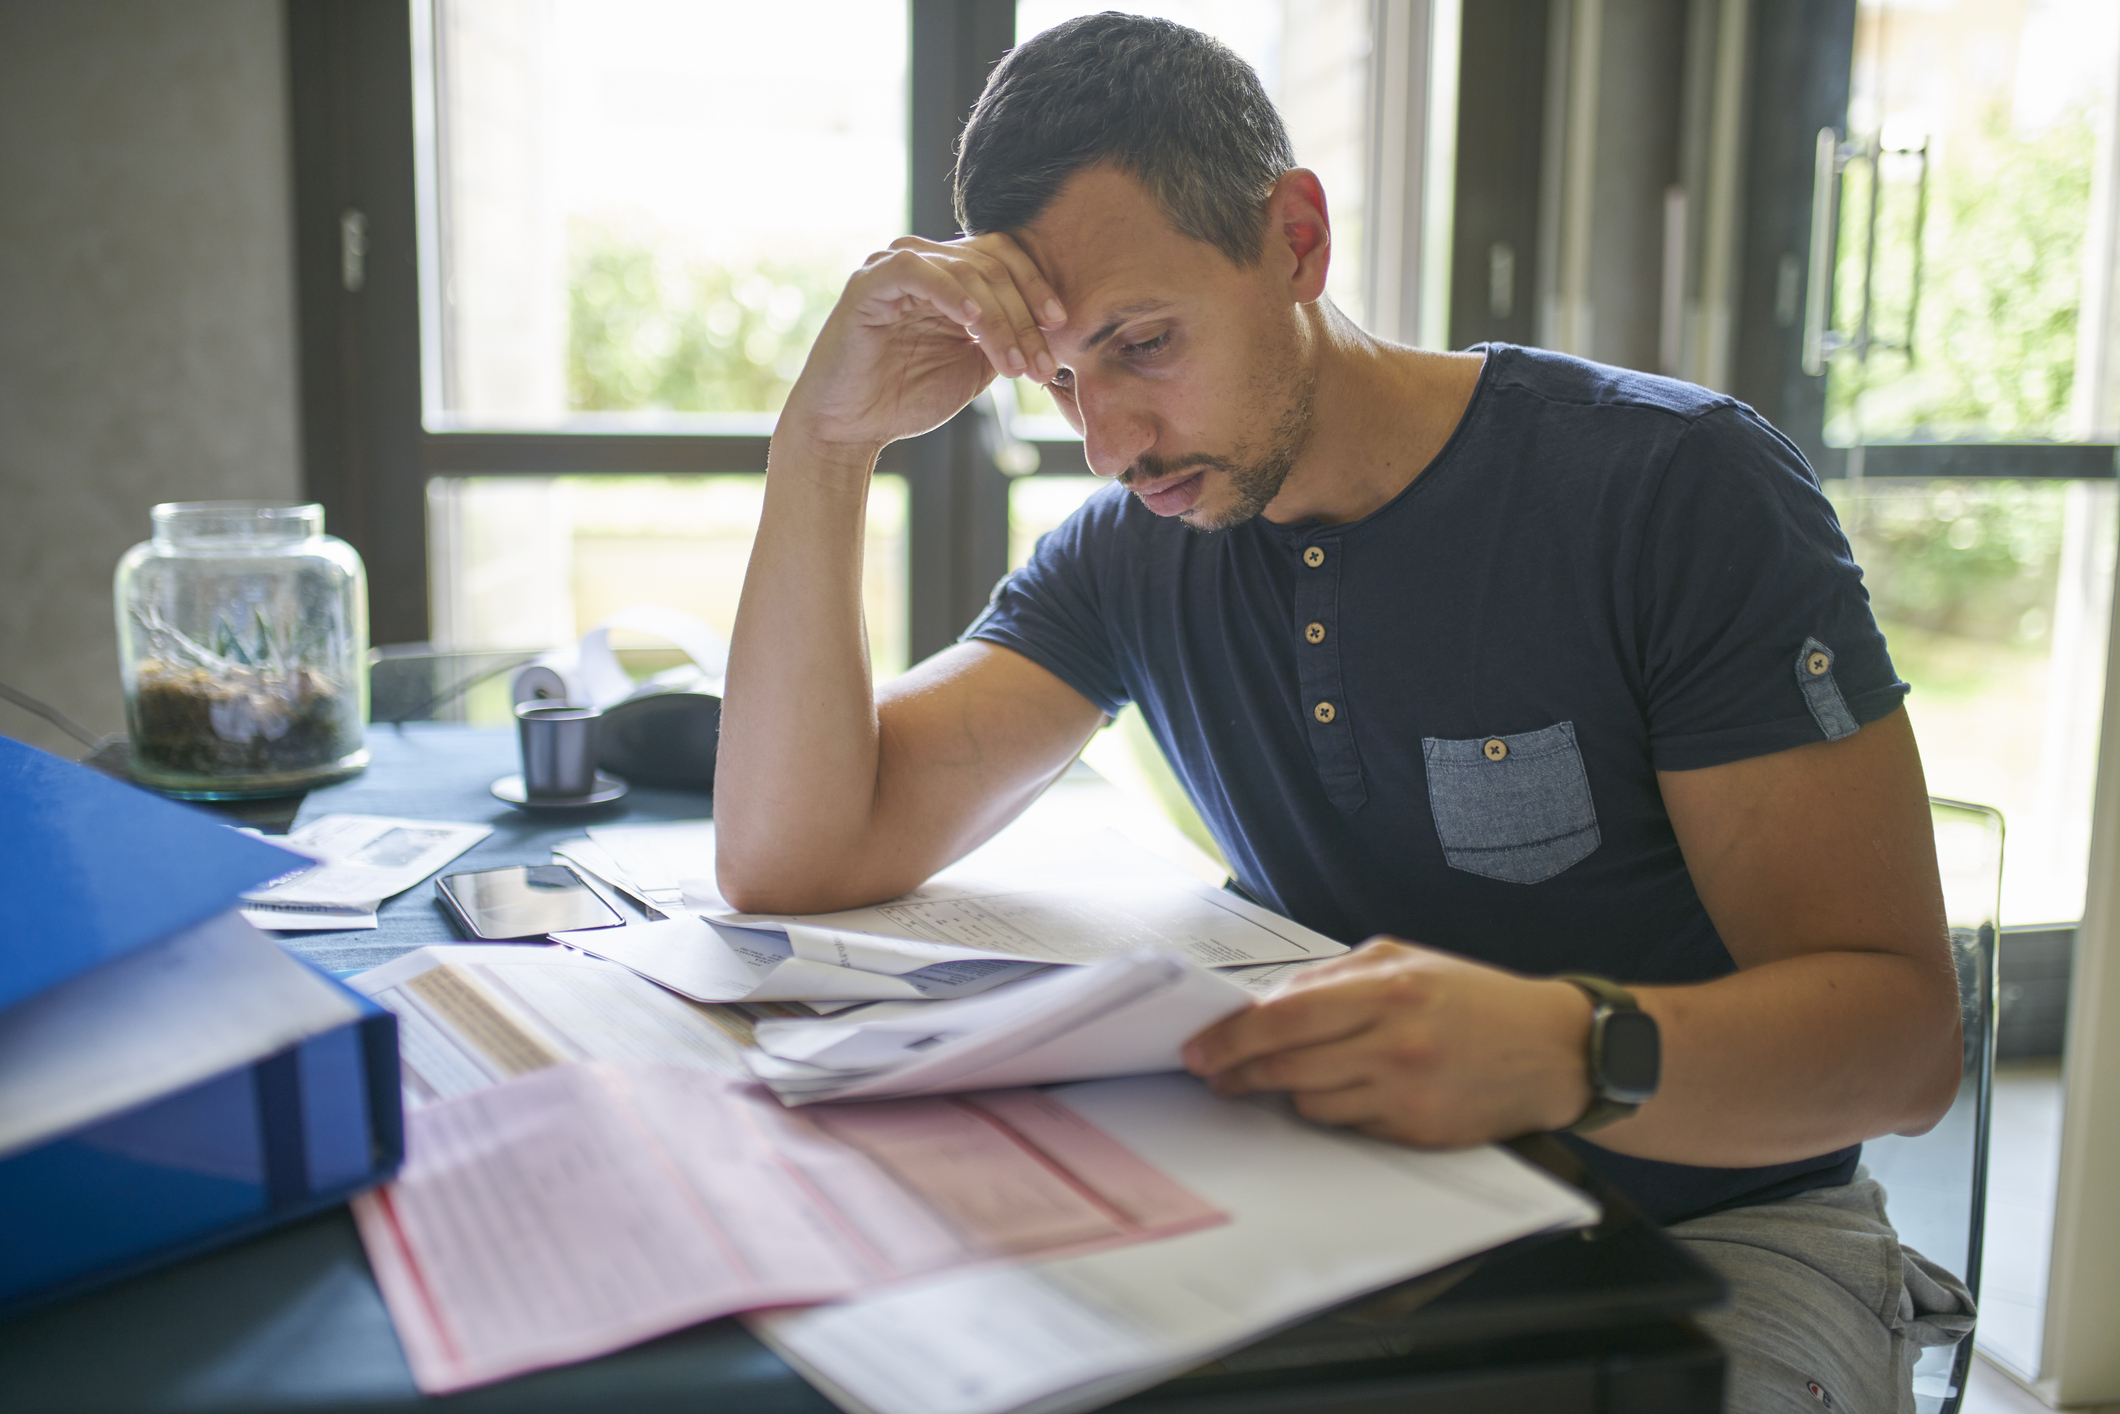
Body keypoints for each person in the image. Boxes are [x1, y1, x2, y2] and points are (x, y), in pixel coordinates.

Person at [714, 13, 1974, 1410]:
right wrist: (823, 444)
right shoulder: (1138, 551)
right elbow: (797, 853)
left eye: (1142, 342)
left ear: (1296, 241)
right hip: (1348, 1230)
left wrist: (1565, 1047)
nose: (1109, 441)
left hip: (1716, 1239)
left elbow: (1904, 1046)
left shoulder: (1674, 494)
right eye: (1065, 377)